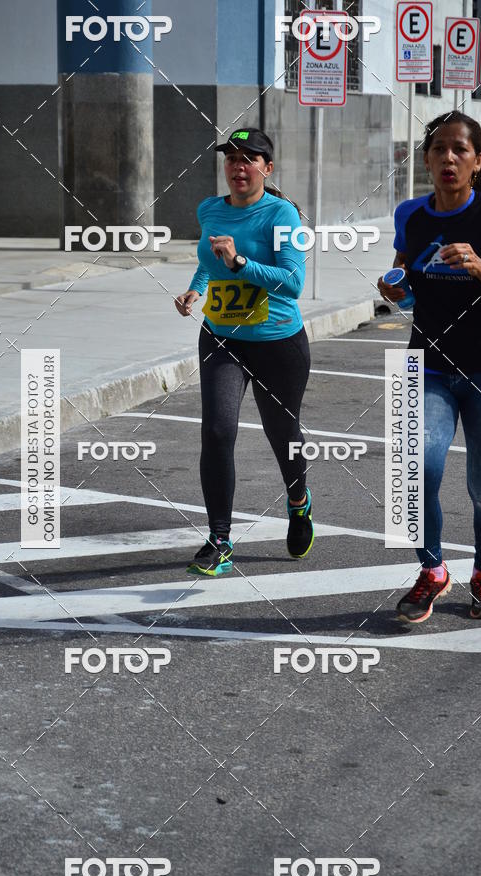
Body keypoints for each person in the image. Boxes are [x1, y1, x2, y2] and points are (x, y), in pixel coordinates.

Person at [378, 111, 481, 623]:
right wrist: (394, 289)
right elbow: (407, 281)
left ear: (477, 161)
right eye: (438, 149)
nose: (448, 158)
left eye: (460, 150)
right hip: (424, 365)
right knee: (412, 474)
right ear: (426, 159)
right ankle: (433, 570)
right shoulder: (411, 216)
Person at [175, 127, 313, 577]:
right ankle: (219, 540)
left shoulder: (282, 216)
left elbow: (293, 284)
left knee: (282, 433)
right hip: (221, 337)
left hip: (277, 341)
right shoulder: (210, 209)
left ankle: (298, 501)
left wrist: (240, 265)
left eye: (248, 158)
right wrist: (196, 290)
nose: (238, 166)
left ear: (266, 168)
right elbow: (207, 259)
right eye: (231, 158)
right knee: (216, 431)